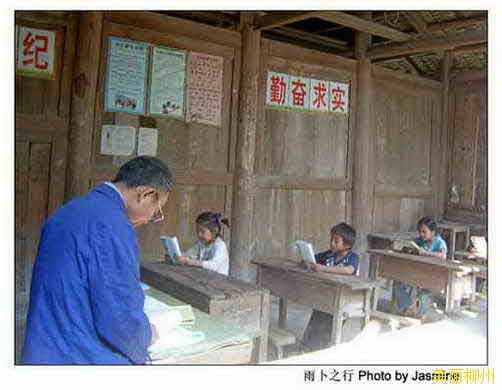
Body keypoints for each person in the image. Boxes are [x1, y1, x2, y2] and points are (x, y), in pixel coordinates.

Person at [22, 156, 174, 364]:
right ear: (146, 194)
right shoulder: (113, 225)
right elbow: (118, 312)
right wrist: (145, 335)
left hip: (45, 343)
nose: (150, 219)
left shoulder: (70, 210)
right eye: (156, 211)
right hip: (78, 355)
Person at [301, 223, 359, 351]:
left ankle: (321, 350)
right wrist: (307, 262)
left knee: (328, 325)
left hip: (344, 298)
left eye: (336, 241)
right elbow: (313, 260)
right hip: (327, 295)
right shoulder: (328, 255)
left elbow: (349, 270)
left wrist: (323, 268)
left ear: (347, 245)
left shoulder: (352, 257)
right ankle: (306, 347)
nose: (332, 243)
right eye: (331, 239)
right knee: (317, 317)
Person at [393, 216, 447, 318]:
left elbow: (443, 256)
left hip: (431, 275)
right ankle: (407, 307)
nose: (421, 234)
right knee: (398, 284)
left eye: (424, 232)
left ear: (433, 232)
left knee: (425, 292)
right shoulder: (420, 240)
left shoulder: (440, 242)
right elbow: (413, 246)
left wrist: (426, 253)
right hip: (415, 272)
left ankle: (419, 314)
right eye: (420, 232)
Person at [174, 212, 230, 276]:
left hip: (218, 282)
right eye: (197, 231)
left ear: (214, 231)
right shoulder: (201, 244)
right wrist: (177, 257)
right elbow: (189, 254)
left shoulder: (220, 246)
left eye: (202, 232)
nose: (199, 234)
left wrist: (190, 262)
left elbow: (213, 266)